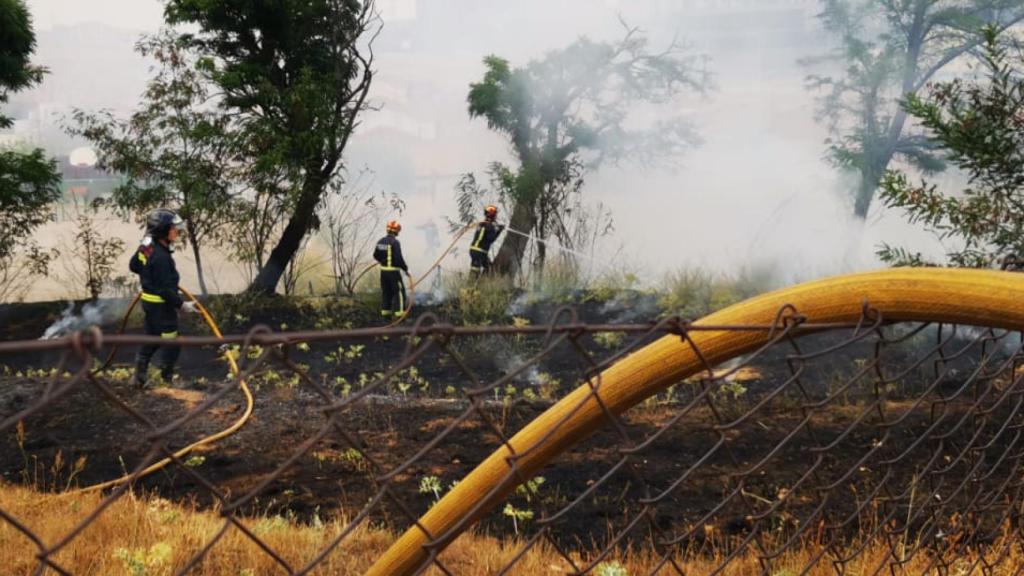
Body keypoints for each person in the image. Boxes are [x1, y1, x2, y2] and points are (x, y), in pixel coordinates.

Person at [129, 209, 197, 388]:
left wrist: (147, 270)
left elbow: (134, 265)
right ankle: (167, 381)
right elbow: (166, 290)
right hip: (162, 307)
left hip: (150, 304)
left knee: (151, 337)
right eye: (172, 228)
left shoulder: (149, 246)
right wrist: (182, 305)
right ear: (162, 231)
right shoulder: (160, 257)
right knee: (172, 343)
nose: (176, 231)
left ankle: (139, 378)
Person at [373, 220, 410, 318]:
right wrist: (405, 269)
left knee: (386, 291)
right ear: (396, 231)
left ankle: (386, 313)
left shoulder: (380, 241)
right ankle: (400, 314)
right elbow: (398, 258)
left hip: (383, 272)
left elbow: (375, 255)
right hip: (393, 272)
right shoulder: (395, 242)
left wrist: (383, 261)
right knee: (399, 292)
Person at [470, 205, 505, 275]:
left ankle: (481, 284)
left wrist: (497, 229)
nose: (496, 216)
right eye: (495, 214)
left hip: (476, 250)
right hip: (479, 251)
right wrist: (499, 230)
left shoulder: (482, 224)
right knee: (476, 270)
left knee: (488, 268)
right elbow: (491, 239)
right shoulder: (489, 226)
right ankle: (472, 284)